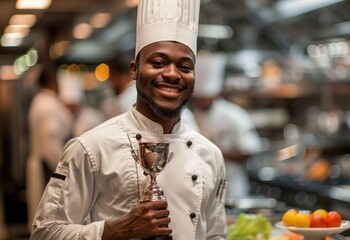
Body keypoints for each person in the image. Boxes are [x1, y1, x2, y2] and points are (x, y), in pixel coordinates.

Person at [30, 0, 228, 239]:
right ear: (134, 69)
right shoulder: (91, 148)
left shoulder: (211, 155)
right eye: (158, 62)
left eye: (185, 66)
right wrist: (118, 229)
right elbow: (45, 232)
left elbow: (216, 234)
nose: (172, 74)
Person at [192, 51, 264, 198]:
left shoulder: (234, 115)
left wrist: (212, 151)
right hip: (205, 185)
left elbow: (248, 152)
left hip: (233, 186)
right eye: (198, 98)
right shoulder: (195, 115)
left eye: (205, 97)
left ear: (216, 94)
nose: (201, 101)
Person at [26, 64, 74, 231]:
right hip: (48, 166)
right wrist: (66, 170)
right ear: (53, 82)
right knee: (49, 219)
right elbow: (50, 142)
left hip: (47, 163)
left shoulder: (43, 101)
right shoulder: (47, 105)